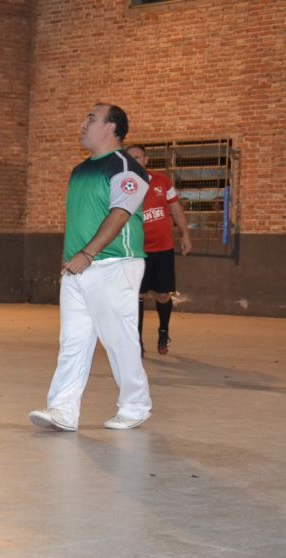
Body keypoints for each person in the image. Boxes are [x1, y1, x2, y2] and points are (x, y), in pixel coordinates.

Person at [28, 104, 152, 432]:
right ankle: (63, 411)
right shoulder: (80, 169)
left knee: (118, 338)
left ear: (111, 128)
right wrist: (73, 259)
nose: (83, 124)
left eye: (91, 119)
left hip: (113, 264)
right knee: (73, 341)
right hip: (76, 269)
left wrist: (89, 253)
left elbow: (120, 214)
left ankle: (135, 405)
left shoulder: (128, 167)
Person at [126, 144, 191, 356]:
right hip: (136, 251)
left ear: (146, 160)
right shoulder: (123, 185)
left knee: (163, 295)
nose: (135, 160)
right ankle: (136, 342)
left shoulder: (163, 181)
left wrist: (185, 234)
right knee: (138, 295)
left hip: (163, 248)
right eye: (131, 157)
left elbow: (175, 209)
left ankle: (164, 331)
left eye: (139, 156)